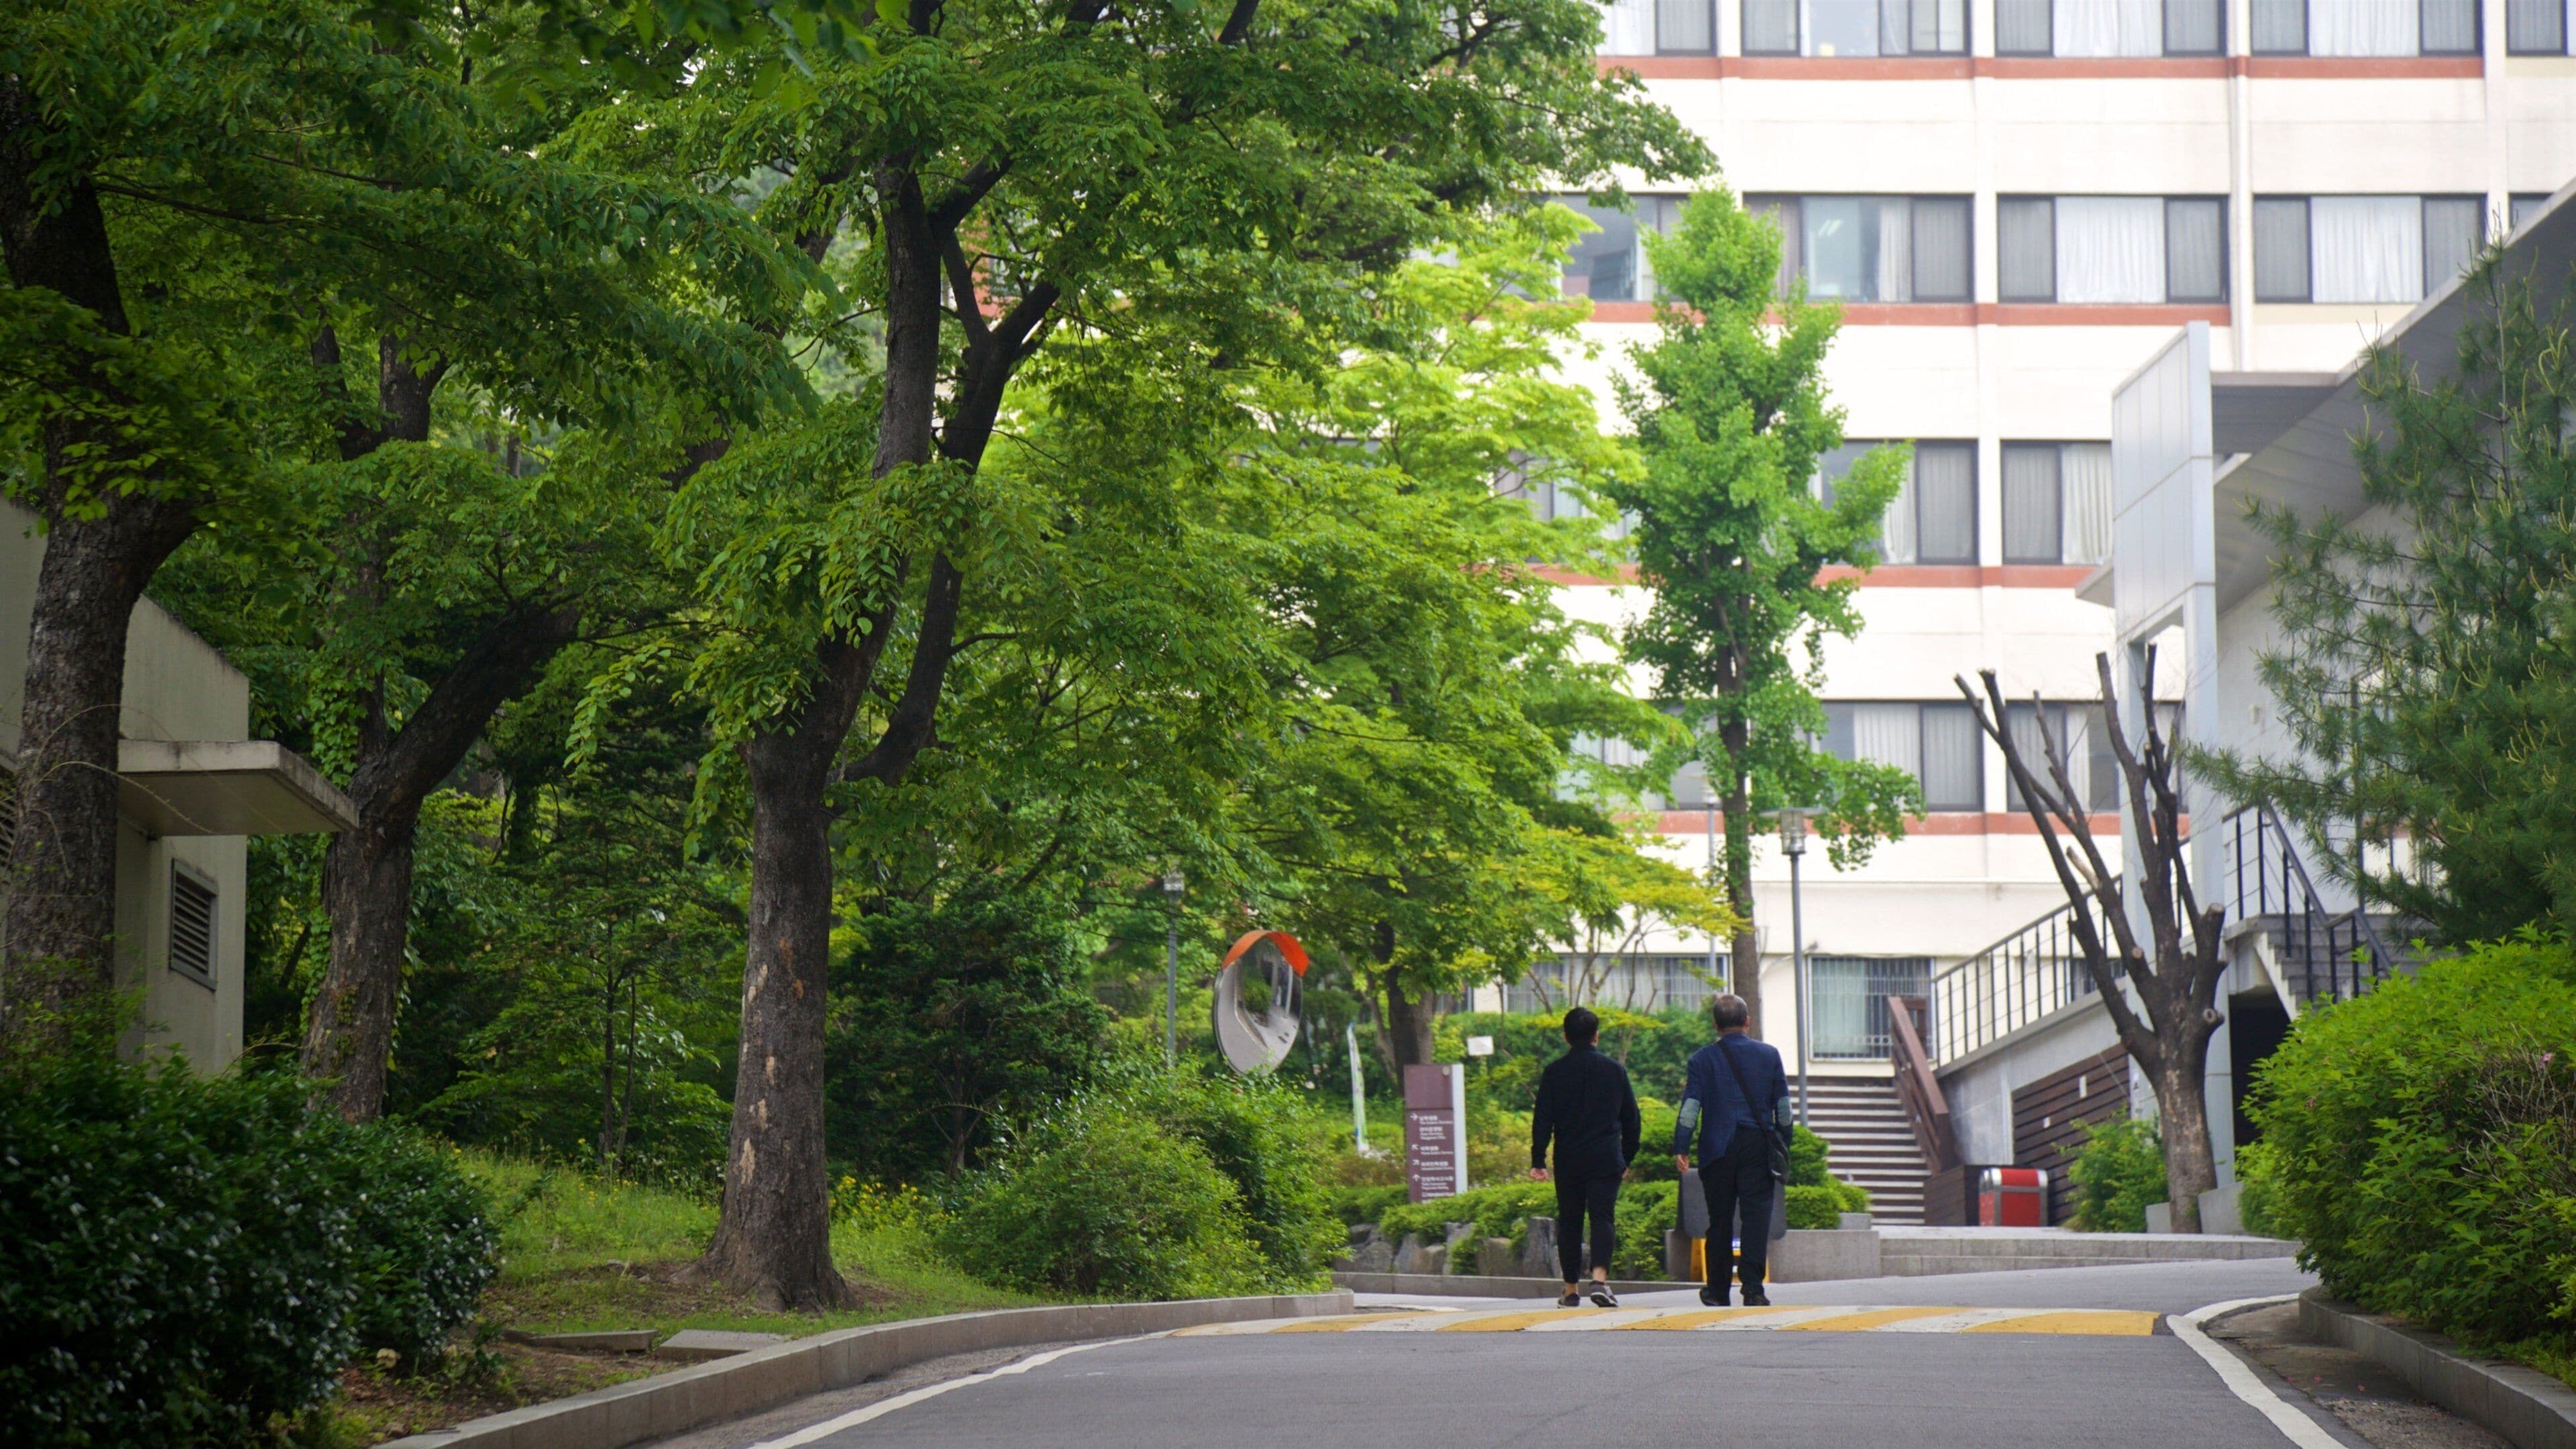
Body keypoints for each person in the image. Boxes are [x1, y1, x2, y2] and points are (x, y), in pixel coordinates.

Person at [1673, 992, 1790, 1307]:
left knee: (1720, 1220)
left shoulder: (1701, 1059)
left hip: (1717, 1148)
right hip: (1757, 1146)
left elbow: (1690, 1108)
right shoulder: (1769, 1055)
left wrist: (1681, 1145)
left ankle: (1717, 1290)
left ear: (1715, 1025)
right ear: (1747, 1022)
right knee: (1756, 1219)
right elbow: (1784, 1107)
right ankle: (1753, 1289)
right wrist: (1785, 1141)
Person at [1527, 1006, 1641, 1308]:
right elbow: (1632, 1119)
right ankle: (1600, 1280)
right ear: (1596, 1036)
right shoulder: (1615, 1070)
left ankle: (1570, 1289)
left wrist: (1538, 1160)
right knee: (1603, 1216)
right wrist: (1626, 1158)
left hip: (1569, 1159)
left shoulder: (1554, 1072)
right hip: (1606, 1157)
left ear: (1566, 1037)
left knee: (1571, 1222)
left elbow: (1543, 1120)